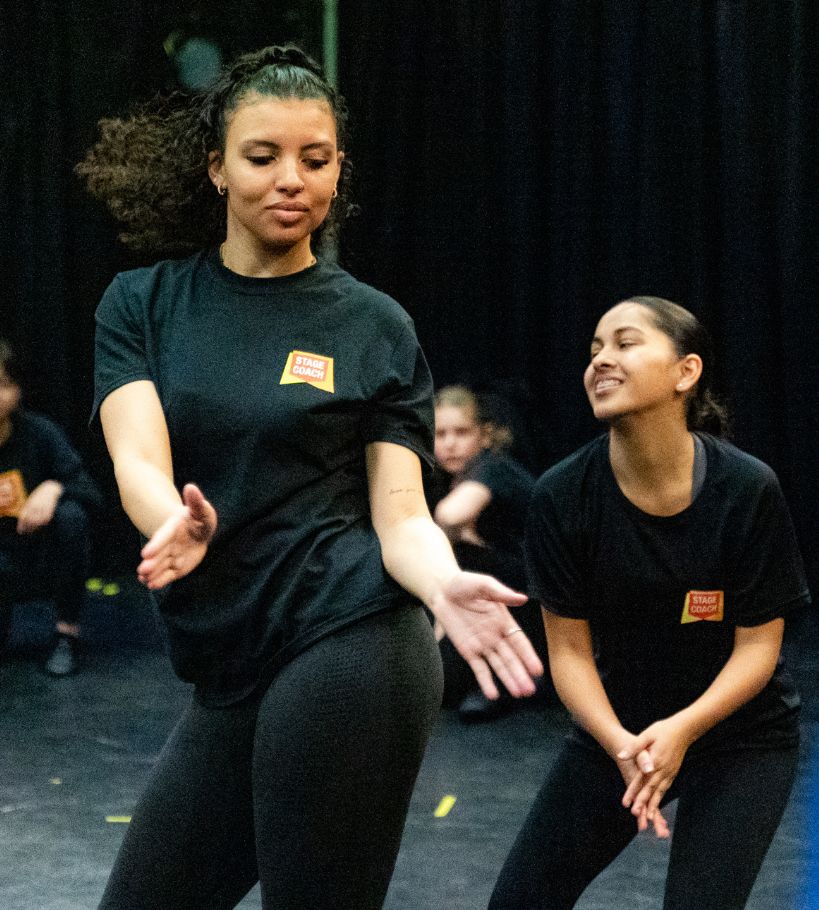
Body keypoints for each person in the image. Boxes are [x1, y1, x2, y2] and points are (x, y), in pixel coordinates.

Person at [77, 45, 543, 910]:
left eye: (315, 159)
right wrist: (169, 520)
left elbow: (401, 515)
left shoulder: (374, 325)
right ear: (216, 167)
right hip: (231, 660)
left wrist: (441, 584)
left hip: (351, 637)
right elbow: (138, 456)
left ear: (337, 172)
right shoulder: (142, 303)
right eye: (263, 156)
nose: (291, 179)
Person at [490, 296, 808, 909]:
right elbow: (569, 654)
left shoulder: (747, 488)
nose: (601, 360)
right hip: (621, 729)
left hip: (740, 736)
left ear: (686, 372)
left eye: (625, 343)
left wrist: (683, 730)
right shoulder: (562, 495)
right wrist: (620, 744)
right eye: (594, 350)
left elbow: (758, 648)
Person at [432, 385, 547, 719]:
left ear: (484, 435)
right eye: (440, 434)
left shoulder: (493, 466)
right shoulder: (455, 477)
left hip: (532, 604)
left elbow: (451, 515)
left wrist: (446, 538)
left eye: (461, 432)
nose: (449, 443)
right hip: (500, 599)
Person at [0, 339, 100, 675]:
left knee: (71, 516)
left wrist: (53, 487)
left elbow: (90, 489)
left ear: (17, 390)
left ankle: (66, 635)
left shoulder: (39, 433)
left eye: (3, 385)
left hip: (37, 555)